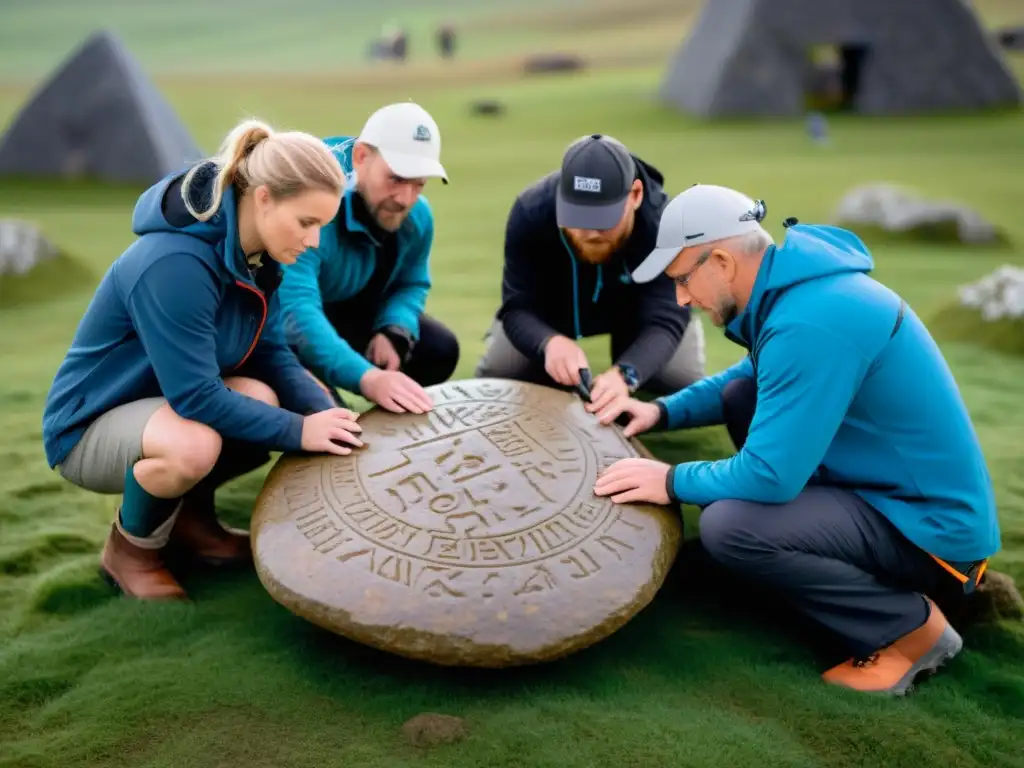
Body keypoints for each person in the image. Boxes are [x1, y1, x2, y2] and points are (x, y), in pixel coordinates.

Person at [592, 184, 1001, 696]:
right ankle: (805, 566)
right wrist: (659, 411)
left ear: (720, 260)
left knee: (731, 525)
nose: (681, 298)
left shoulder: (811, 321)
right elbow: (750, 376)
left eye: (681, 279)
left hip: (932, 537)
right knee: (744, 395)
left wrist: (670, 480)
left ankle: (909, 629)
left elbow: (769, 475)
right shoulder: (797, 295)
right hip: (887, 496)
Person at [41, 119, 365, 601]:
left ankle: (192, 526)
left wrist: (324, 413)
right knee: (195, 444)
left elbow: (270, 352)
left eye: (323, 225)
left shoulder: (261, 258)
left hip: (163, 408)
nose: (315, 241)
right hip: (88, 424)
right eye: (307, 222)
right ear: (263, 199)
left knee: (262, 397)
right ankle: (131, 553)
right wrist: (299, 431)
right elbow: (195, 396)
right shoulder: (176, 264)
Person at [474, 133, 705, 412]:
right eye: (579, 218)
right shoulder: (532, 210)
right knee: (501, 370)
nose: (592, 233)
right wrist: (549, 343)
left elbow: (666, 316)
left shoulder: (664, 223)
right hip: (550, 311)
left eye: (603, 219)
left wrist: (627, 374)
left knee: (678, 376)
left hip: (637, 313)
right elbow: (517, 306)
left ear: (635, 195)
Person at [278, 102, 459, 415]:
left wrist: (394, 329)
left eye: (419, 184)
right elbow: (297, 314)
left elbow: (412, 282)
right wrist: (367, 378)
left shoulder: (417, 215)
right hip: (276, 324)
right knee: (326, 414)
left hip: (345, 307)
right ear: (362, 157)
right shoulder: (311, 204)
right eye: (396, 178)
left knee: (438, 349)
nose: (405, 199)